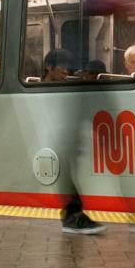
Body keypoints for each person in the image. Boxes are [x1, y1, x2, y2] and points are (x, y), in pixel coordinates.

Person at [42, 48, 106, 234]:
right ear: (48, 67)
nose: (65, 71)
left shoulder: (69, 89)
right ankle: (72, 216)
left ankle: (73, 215)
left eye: (67, 67)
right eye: (61, 65)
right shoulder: (41, 87)